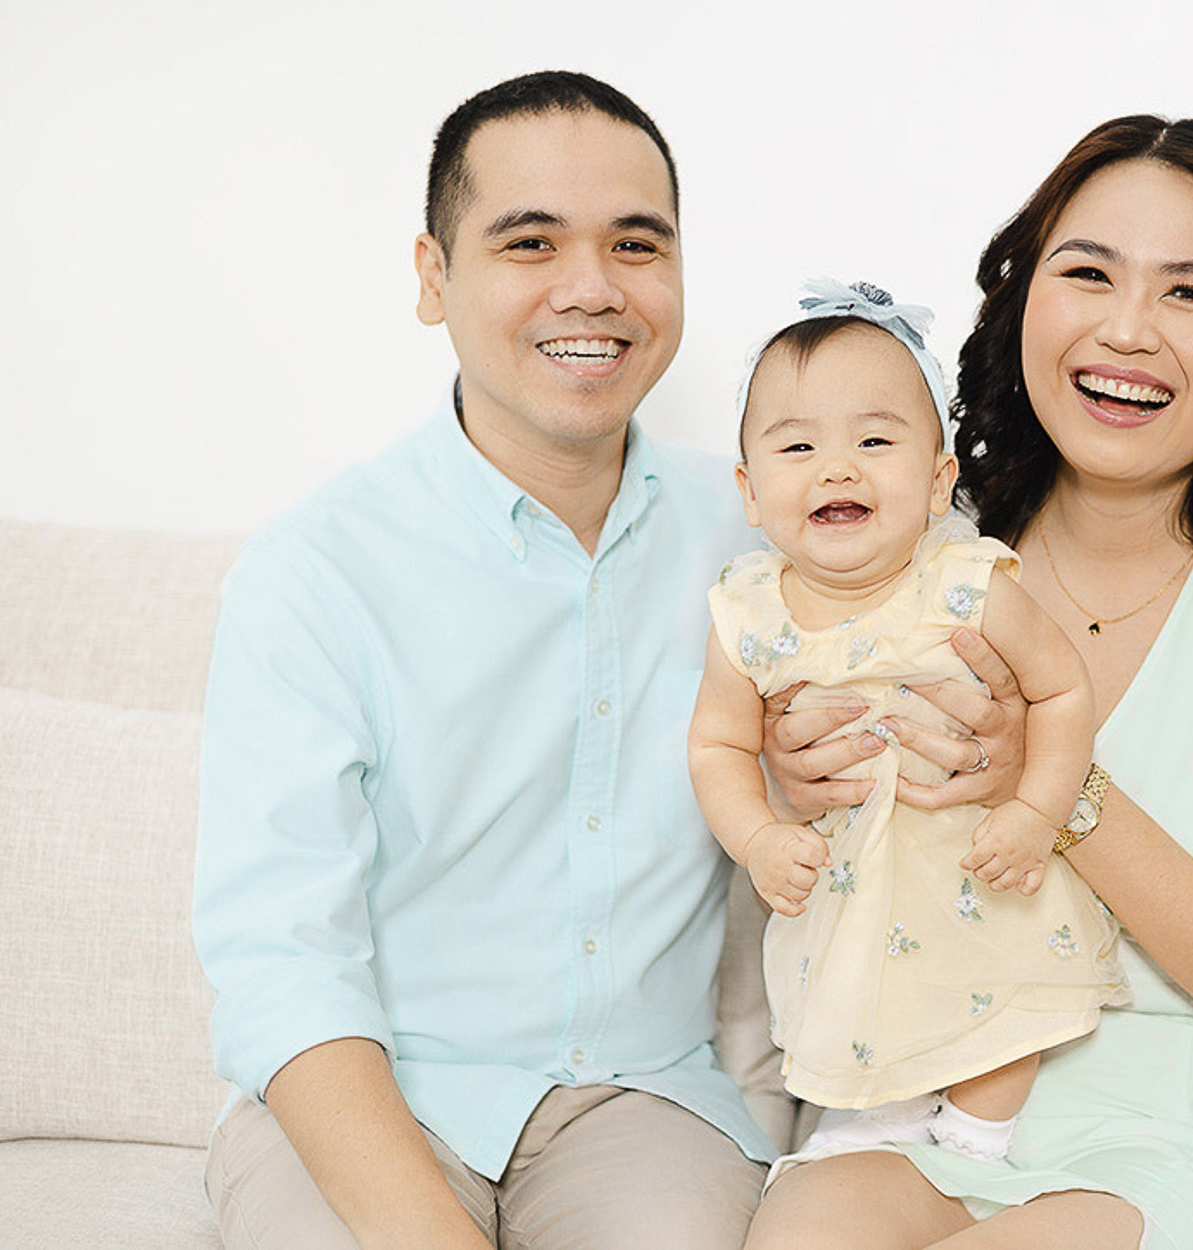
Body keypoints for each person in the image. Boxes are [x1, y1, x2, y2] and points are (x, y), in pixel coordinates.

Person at [750, 115, 1193, 1250]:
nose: (1127, 329)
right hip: (921, 1106)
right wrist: (792, 765)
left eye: (1191, 294)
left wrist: (1055, 787)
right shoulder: (911, 554)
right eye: (1087, 274)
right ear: (1025, 304)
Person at [193, 71, 792, 1250]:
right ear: (433, 278)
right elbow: (280, 953)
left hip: (644, 1098)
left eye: (636, 243)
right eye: (531, 242)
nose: (592, 288)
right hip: (372, 1092)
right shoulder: (314, 570)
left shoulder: (759, 539)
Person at [689, 281, 1125, 1168]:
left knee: (1003, 987)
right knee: (862, 1002)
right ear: (747, 488)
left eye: (874, 442)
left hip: (974, 859)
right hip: (849, 881)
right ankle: (887, 1119)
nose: (836, 468)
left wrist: (1037, 811)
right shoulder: (747, 615)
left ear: (936, 483)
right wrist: (758, 837)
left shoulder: (964, 587)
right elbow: (717, 744)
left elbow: (1061, 692)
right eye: (798, 445)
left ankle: (977, 1132)